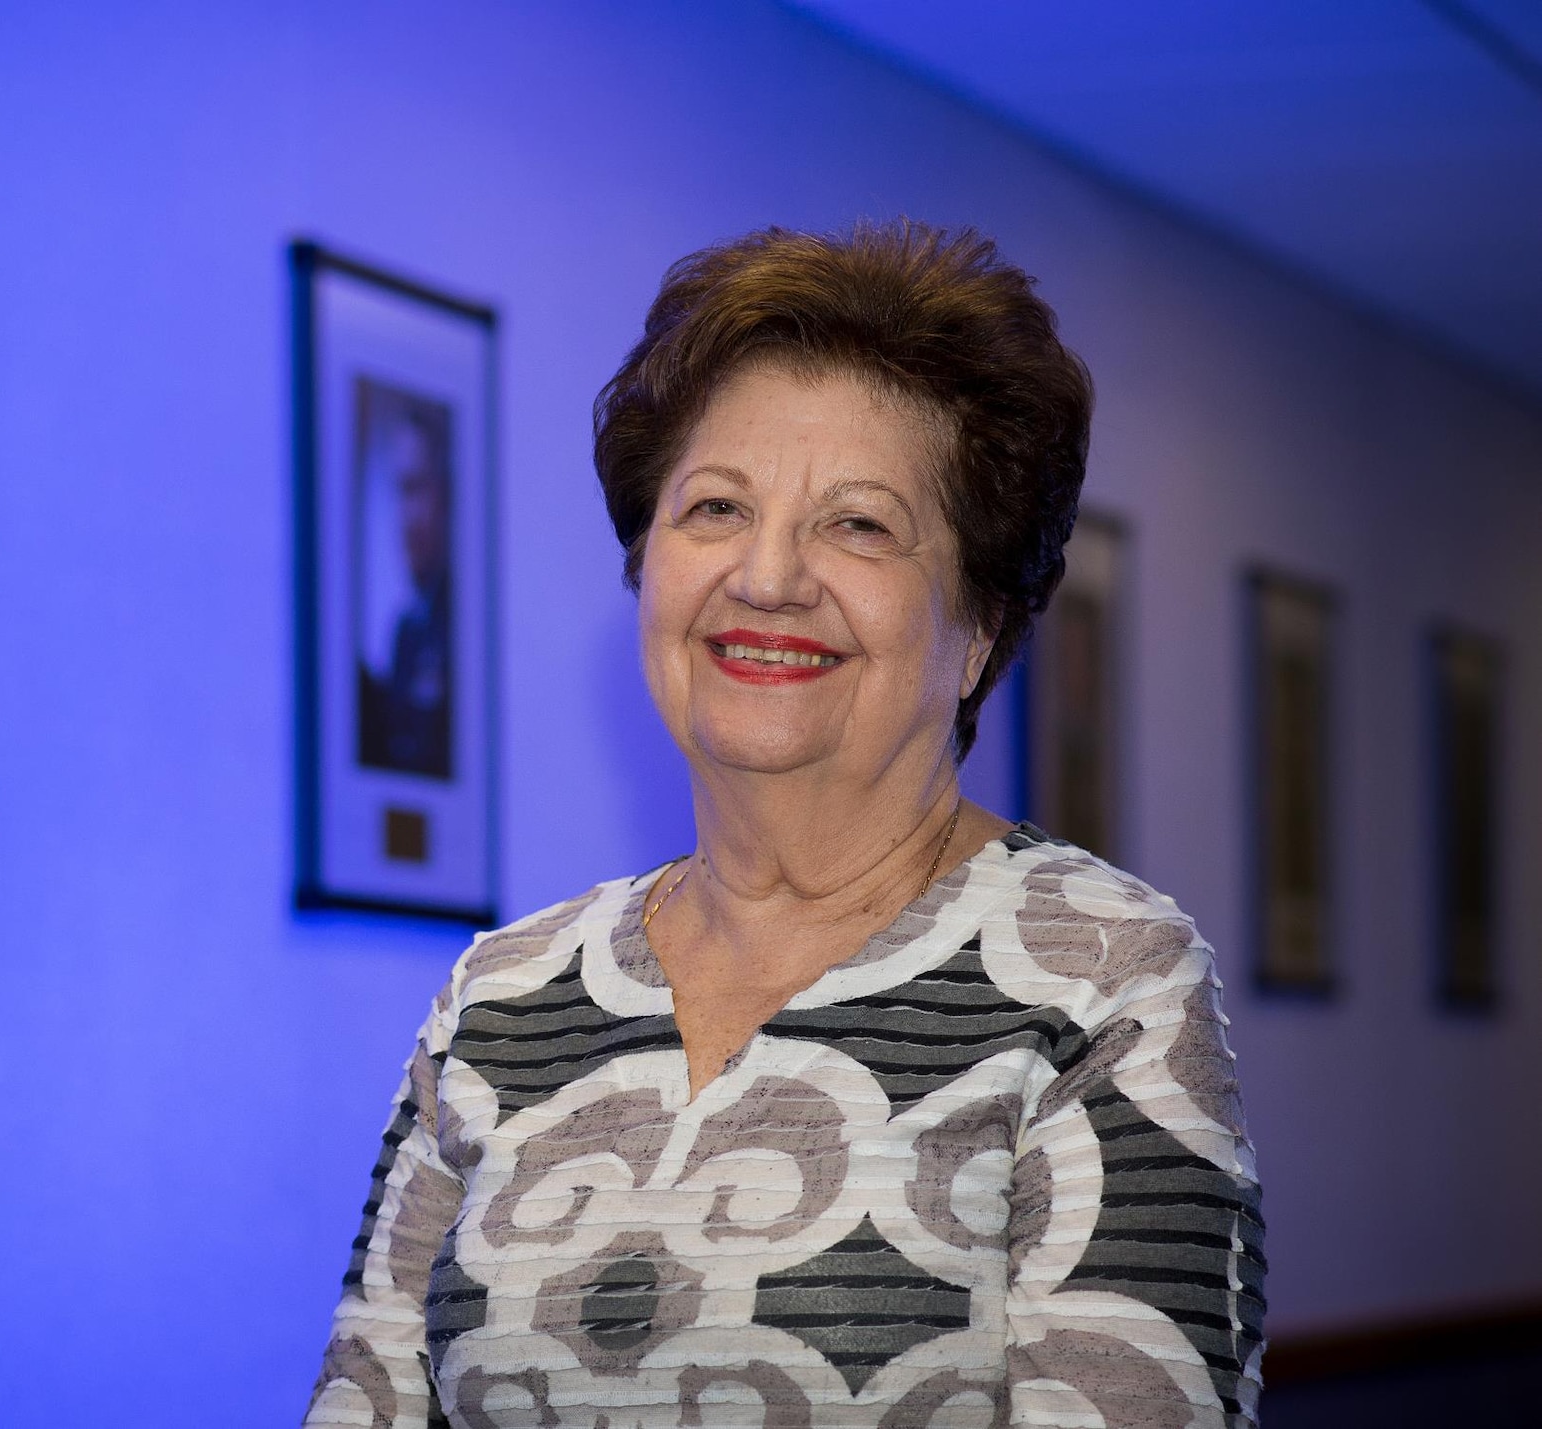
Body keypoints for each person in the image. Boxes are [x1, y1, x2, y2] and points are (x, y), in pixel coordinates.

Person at [305, 223, 1264, 1427]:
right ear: (644, 569)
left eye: (857, 523)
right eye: (713, 507)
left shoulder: (1101, 979)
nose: (766, 575)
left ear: (977, 626)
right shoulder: (498, 997)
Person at [357, 401, 453, 778]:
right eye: (399, 492)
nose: (404, 518)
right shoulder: (406, 632)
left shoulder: (467, 631)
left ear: (446, 496)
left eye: (415, 489)